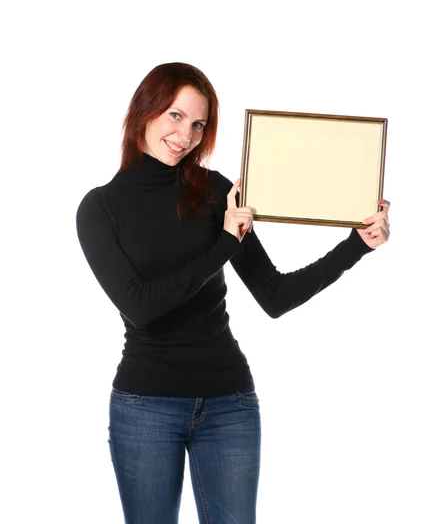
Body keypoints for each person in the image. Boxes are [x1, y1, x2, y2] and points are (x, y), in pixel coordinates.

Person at [75, 62, 390, 524]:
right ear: (145, 110)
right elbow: (142, 306)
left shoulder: (217, 192)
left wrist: (355, 246)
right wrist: (224, 243)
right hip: (145, 407)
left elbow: (274, 295)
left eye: (199, 124)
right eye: (176, 116)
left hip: (229, 404)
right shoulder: (100, 208)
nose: (186, 134)